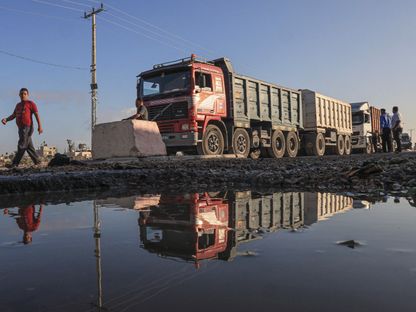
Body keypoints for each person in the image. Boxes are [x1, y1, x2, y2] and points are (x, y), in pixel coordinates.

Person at [1, 88, 43, 168]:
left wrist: (40, 126)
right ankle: (37, 162)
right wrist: (6, 119)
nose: (23, 95)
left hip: (27, 127)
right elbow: (13, 115)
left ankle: (15, 164)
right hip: (20, 128)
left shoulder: (31, 103)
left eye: (24, 94)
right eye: (21, 94)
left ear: (28, 95)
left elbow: (37, 115)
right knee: (28, 146)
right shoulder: (18, 105)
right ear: (19, 95)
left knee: (22, 145)